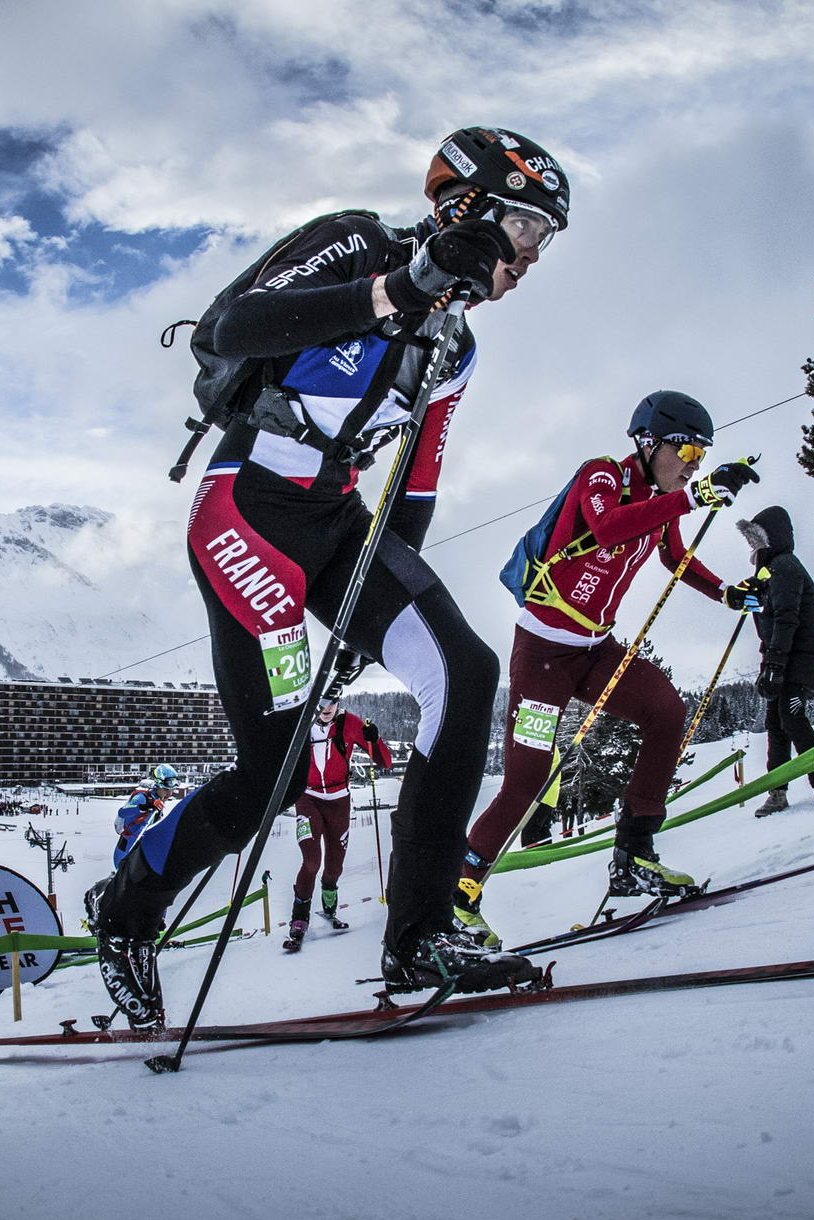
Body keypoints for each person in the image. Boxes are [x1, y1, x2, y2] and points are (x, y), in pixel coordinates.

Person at [89, 126, 571, 1027]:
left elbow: (415, 482)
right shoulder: (361, 245)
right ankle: (126, 911)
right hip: (249, 516)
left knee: (463, 675)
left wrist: (376, 618)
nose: (533, 258)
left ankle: (422, 930)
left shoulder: (455, 348)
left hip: (341, 524)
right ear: (471, 208)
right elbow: (225, 329)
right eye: (529, 231)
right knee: (271, 776)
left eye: (546, 242)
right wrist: (401, 287)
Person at [454, 391, 758, 945]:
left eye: (701, 455)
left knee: (667, 713)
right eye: (686, 449)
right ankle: (460, 892)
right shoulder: (603, 476)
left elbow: (673, 557)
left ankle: (634, 856)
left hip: (596, 651)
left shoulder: (666, 499)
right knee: (526, 780)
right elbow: (608, 528)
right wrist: (691, 499)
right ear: (648, 442)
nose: (693, 463)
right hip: (543, 655)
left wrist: (727, 595)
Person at [740, 507, 814, 817]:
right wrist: (754, 602)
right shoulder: (771, 573)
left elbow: (786, 619)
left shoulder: (786, 567)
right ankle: (777, 791)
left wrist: (775, 665)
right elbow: (768, 626)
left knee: (791, 717)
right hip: (780, 657)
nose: (753, 549)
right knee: (775, 724)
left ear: (770, 539)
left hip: (799, 658)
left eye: (757, 541)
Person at [282, 692, 393, 951]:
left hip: (339, 802)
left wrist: (373, 738)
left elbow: (384, 761)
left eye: (332, 702)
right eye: (321, 702)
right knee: (311, 861)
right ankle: (299, 919)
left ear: (339, 702)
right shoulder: (301, 725)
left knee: (333, 868)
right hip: (307, 799)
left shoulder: (349, 723)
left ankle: (330, 908)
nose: (326, 708)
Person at [81, 765, 182, 931]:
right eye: (166, 790)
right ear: (157, 785)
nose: (170, 794)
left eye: (171, 790)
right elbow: (123, 812)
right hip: (126, 850)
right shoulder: (143, 797)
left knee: (154, 886)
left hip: (138, 850)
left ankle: (153, 922)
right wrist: (145, 807)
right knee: (136, 888)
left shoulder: (158, 801)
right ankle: (103, 918)